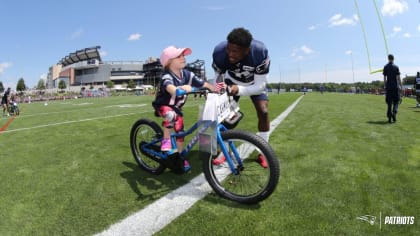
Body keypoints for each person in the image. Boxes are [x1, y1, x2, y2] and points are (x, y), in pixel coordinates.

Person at [211, 27, 270, 167]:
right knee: (225, 115)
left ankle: (263, 152)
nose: (230, 54)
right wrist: (220, 93)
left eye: (235, 51)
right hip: (231, 81)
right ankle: (224, 151)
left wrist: (239, 90)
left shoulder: (259, 51)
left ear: (247, 50)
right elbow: (218, 78)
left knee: (263, 111)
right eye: (229, 49)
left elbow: (261, 85)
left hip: (253, 84)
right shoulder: (220, 52)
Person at [152, 46, 216, 171]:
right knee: (170, 116)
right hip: (164, 106)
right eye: (179, 56)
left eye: (183, 55)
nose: (183, 58)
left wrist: (214, 89)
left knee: (180, 133)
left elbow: (203, 83)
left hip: (177, 109)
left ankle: (179, 157)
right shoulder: (167, 76)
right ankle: (165, 145)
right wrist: (180, 89)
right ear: (169, 62)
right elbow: (170, 87)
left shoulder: (187, 74)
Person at [383, 54, 402, 123]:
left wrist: (385, 86)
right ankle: (394, 112)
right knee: (396, 101)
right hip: (395, 87)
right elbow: (399, 78)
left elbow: (385, 78)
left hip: (389, 87)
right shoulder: (396, 67)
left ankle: (389, 118)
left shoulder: (385, 67)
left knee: (389, 103)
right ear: (393, 59)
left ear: (388, 59)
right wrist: (401, 86)